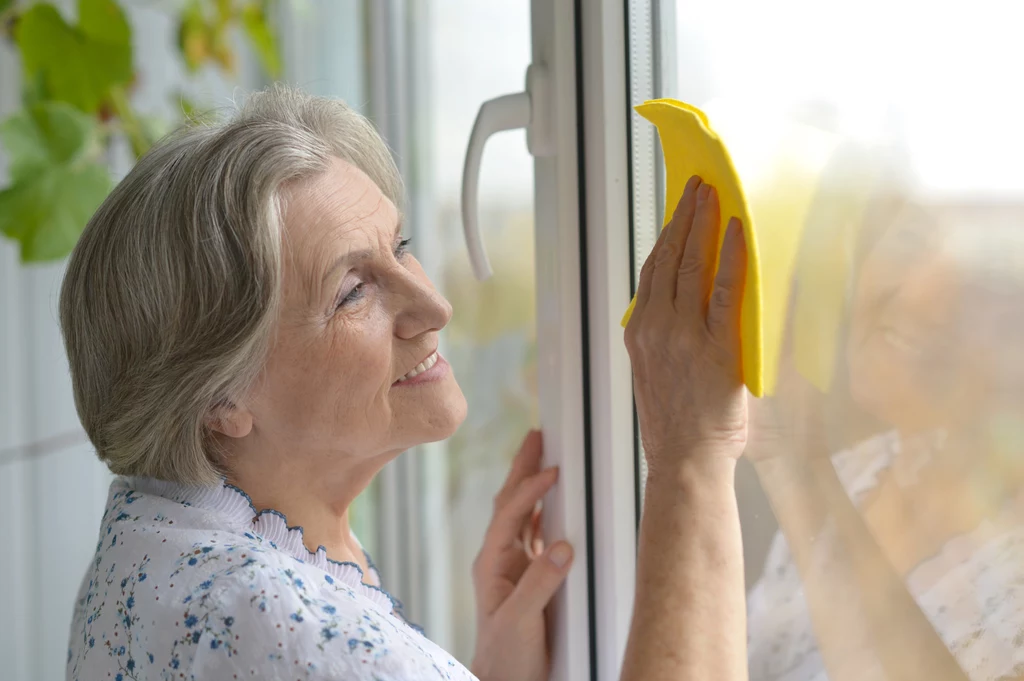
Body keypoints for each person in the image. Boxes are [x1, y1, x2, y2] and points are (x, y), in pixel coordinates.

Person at [62, 84, 751, 681]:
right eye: (353, 290)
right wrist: (692, 456)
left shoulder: (148, 544)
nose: (434, 308)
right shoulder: (280, 625)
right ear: (221, 398)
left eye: (401, 247)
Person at [746, 187, 1024, 681]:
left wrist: (799, 472)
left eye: (979, 280)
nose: (919, 290)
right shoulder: (856, 473)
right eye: (911, 242)